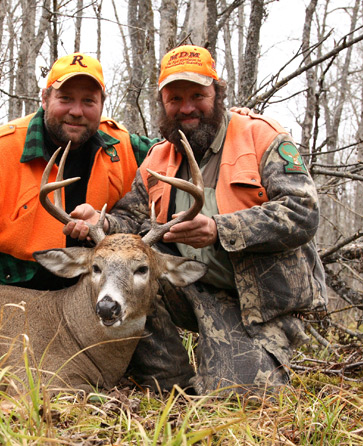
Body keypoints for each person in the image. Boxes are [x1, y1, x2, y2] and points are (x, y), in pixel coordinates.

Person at [64, 45, 327, 394]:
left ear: (217, 93)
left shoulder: (260, 136)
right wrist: (104, 223)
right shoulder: (159, 156)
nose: (186, 107)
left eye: (197, 95)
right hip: (193, 289)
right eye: (175, 98)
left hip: (259, 301)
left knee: (240, 396)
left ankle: (240, 357)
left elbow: (303, 212)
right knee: (118, 276)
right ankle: (170, 379)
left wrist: (221, 229)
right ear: (163, 103)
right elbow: (132, 215)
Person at [0, 52, 157, 289]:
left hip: (98, 293)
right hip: (9, 293)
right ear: (45, 98)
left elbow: (171, 156)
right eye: (65, 99)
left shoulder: (124, 147)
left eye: (88, 101)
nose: (76, 111)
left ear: (102, 104)